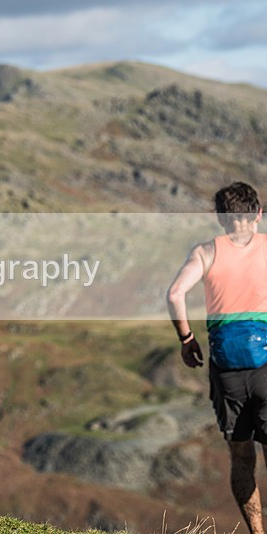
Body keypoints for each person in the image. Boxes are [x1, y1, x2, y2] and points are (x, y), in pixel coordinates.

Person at [167, 182, 267, 533]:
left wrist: (187, 339)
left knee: (241, 458)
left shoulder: (206, 252)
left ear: (222, 219)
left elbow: (176, 294)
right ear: (257, 214)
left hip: (227, 372)